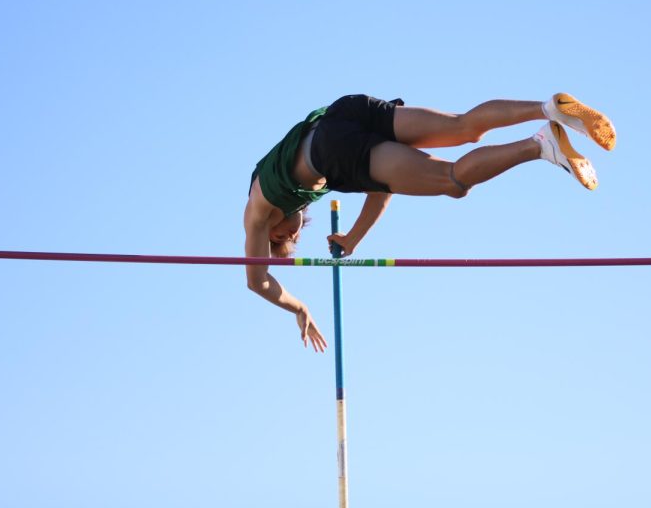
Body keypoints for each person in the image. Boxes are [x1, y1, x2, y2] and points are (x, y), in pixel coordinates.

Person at [243, 93, 616, 351]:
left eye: (288, 237)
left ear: (271, 233)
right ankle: (549, 108)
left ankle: (539, 145)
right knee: (465, 125)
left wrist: (301, 308)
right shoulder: (293, 185)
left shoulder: (257, 212)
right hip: (346, 111)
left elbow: (257, 281)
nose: (294, 231)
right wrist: (354, 237)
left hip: (334, 148)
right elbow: (382, 188)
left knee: (453, 181)